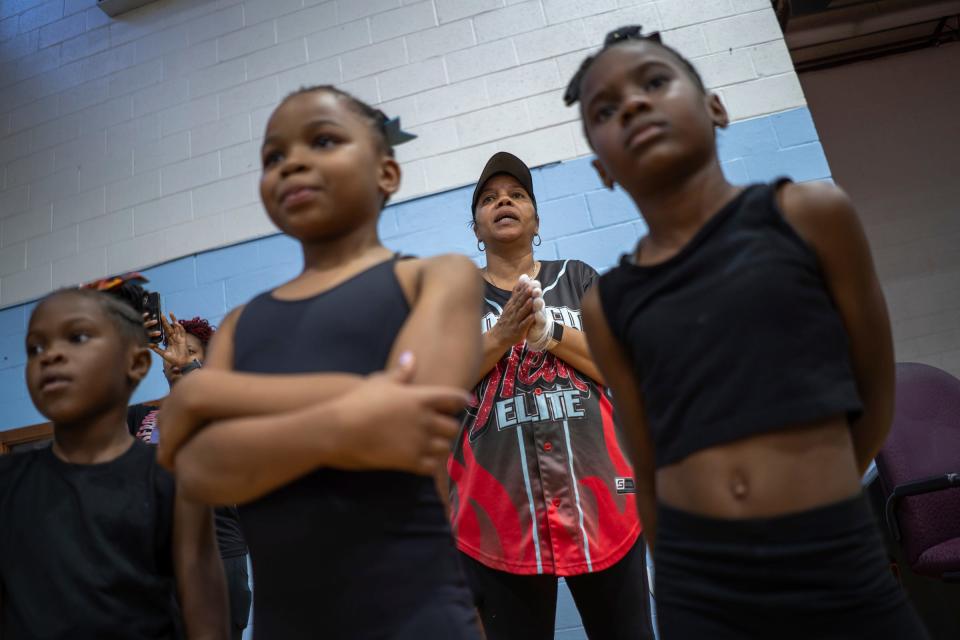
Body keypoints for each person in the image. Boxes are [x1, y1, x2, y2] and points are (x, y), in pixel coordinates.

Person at [565, 25, 929, 639]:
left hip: (836, 560)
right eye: (606, 109)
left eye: (655, 81)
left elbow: (875, 395)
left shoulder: (811, 216)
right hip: (701, 591)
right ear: (602, 169)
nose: (632, 104)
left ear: (715, 107)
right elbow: (649, 470)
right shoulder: (608, 305)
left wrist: (810, 501)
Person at [152, 85, 483, 639]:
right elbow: (198, 474)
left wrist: (209, 400)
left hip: (421, 619)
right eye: (273, 157)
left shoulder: (437, 277)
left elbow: (406, 423)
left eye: (323, 140)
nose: (293, 162)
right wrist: (351, 415)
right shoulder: (240, 326)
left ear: (386, 173)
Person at [449, 151, 653, 640]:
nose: (504, 202)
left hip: (605, 499)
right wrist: (501, 336)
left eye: (517, 195)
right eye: (490, 199)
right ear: (475, 228)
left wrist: (548, 330)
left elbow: (622, 365)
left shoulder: (578, 278)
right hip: (495, 516)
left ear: (535, 219)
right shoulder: (453, 296)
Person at [0, 287, 228, 639]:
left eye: (77, 338)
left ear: (136, 364)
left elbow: (206, 620)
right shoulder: (9, 482)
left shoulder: (171, 483)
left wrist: (189, 369)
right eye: (36, 348)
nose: (51, 355)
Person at [129, 311, 252, 640]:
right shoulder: (141, 416)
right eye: (171, 350)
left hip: (218, 558)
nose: (176, 357)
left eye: (190, 352)